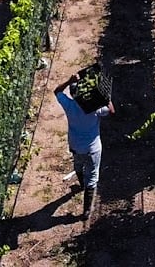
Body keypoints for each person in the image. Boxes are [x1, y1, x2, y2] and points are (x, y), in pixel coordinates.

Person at [54, 72, 114, 219]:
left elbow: (57, 91)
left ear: (73, 94)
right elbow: (111, 110)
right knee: (93, 176)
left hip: (75, 145)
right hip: (92, 148)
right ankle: (86, 210)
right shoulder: (93, 107)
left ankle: (81, 185)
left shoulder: (68, 105)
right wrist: (105, 95)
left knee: (78, 165)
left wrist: (69, 80)